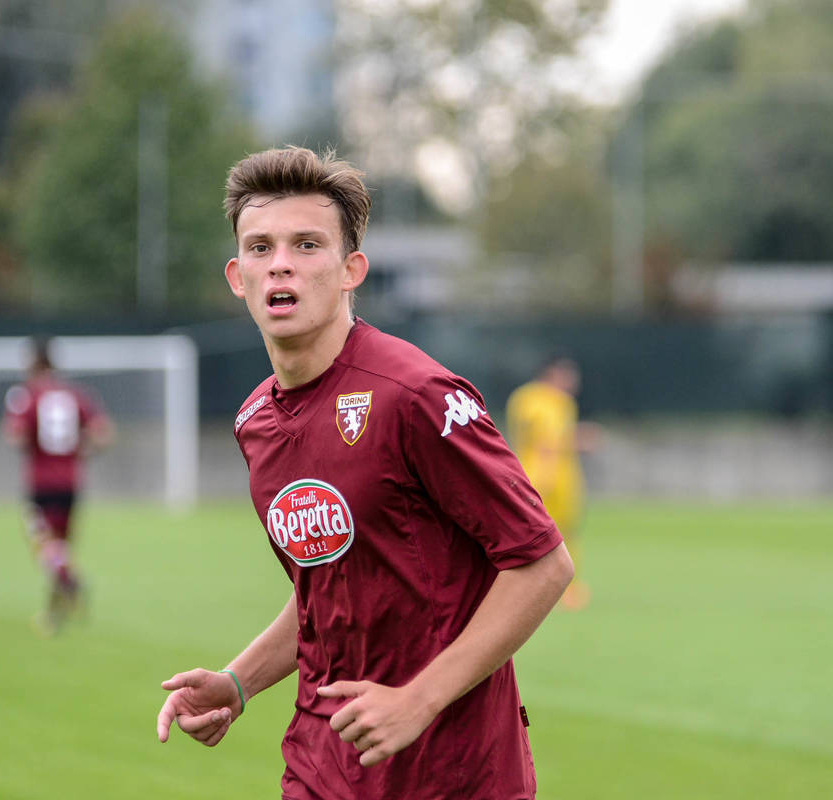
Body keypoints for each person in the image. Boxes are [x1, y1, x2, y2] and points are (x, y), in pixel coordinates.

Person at [155, 146, 575, 799]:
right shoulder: (255, 422)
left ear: (352, 269)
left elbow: (542, 564)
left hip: (453, 772)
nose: (281, 264)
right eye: (261, 248)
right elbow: (327, 592)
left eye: (307, 245)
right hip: (324, 765)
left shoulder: (417, 395)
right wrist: (238, 682)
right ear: (238, 277)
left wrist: (419, 699)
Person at [3, 337, 113, 633]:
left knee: (44, 546)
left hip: (42, 483)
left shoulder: (27, 396)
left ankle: (70, 581)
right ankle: (54, 616)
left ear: (33, 363)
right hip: (71, 482)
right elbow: (103, 434)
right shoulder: (76, 395)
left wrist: (31, 442)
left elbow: (15, 435)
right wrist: (80, 450)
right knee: (61, 548)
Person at [505, 356, 602, 611]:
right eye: (568, 376)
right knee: (554, 534)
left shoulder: (525, 398)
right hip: (547, 476)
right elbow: (547, 442)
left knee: (554, 532)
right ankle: (558, 588)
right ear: (552, 374)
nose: (573, 382)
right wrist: (580, 440)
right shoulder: (548, 401)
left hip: (543, 473)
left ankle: (550, 587)